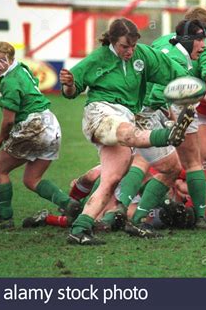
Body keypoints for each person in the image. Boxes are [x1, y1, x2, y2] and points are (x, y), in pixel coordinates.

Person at [59, 18, 193, 244]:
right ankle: (168, 134)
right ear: (112, 41)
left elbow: (174, 73)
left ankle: (83, 228)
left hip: (131, 116)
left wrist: (193, 89)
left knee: (163, 169)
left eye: (133, 46)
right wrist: (69, 84)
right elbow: (71, 91)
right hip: (101, 113)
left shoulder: (142, 55)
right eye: (124, 46)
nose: (130, 51)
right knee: (128, 133)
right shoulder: (98, 58)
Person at [116, 19, 206, 237]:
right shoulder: (177, 59)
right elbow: (169, 88)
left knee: (145, 162)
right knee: (192, 162)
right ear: (188, 40)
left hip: (144, 111)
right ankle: (200, 218)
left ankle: (123, 209)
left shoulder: (164, 46)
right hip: (166, 110)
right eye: (200, 39)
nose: (204, 44)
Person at [0, 41, 81, 229]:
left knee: (0, 169)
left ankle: (5, 220)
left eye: (1, 60)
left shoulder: (9, 82)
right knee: (31, 179)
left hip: (33, 125)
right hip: (51, 124)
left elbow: (9, 120)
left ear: (10, 59)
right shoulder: (22, 68)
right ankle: (69, 204)